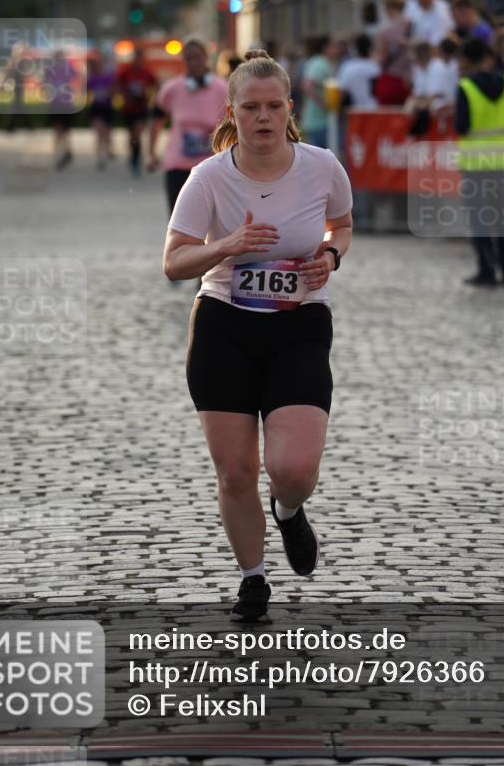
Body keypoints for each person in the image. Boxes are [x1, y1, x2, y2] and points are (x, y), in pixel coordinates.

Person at [162, 49, 353, 622]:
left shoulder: (322, 166)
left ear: (290, 108)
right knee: (236, 469)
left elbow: (341, 225)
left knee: (292, 468)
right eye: (251, 108)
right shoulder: (208, 177)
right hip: (225, 325)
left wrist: (330, 256)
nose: (263, 117)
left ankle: (289, 510)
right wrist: (226, 246)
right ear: (233, 111)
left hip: (299, 325)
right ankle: (253, 578)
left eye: (274, 106)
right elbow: (174, 263)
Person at [455, 39, 504, 288]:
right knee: (503, 220)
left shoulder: (467, 88)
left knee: (480, 219)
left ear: (467, 61)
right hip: (502, 162)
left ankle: (487, 272)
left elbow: (462, 126)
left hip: (475, 164)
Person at [147, 36, 227, 214]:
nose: (193, 62)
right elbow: (156, 119)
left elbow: (233, 124)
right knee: (177, 216)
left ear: (206, 58)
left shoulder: (221, 88)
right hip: (177, 164)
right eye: (188, 58)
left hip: (210, 165)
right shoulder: (172, 88)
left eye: (197, 57)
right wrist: (151, 153)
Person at [116, 47, 156, 176]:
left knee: (137, 133)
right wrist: (124, 97)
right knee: (132, 135)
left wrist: (150, 97)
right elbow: (118, 85)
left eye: (140, 59)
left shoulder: (146, 73)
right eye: (136, 58)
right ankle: (133, 154)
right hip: (128, 109)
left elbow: (155, 84)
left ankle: (135, 160)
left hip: (141, 108)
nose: (138, 61)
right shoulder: (126, 73)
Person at [300, 36, 341, 148]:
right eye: (334, 46)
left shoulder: (319, 62)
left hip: (318, 121)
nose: (338, 49)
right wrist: (325, 105)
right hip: (318, 122)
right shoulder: (320, 63)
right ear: (326, 48)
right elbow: (308, 86)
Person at [374, 0, 413, 105]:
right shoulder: (413, 26)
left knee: (387, 119)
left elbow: (382, 58)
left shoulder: (385, 32)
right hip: (411, 81)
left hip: (390, 80)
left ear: (388, 9)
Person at [43, 49, 77, 170]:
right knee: (57, 130)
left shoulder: (69, 68)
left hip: (66, 104)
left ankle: (67, 150)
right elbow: (44, 84)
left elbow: (78, 78)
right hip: (55, 104)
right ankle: (59, 154)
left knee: (66, 130)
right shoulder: (49, 70)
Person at [87, 53, 116, 169]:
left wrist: (109, 93)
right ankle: (100, 156)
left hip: (107, 107)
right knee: (99, 132)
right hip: (96, 107)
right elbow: (87, 90)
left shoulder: (109, 77)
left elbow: (114, 90)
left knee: (107, 133)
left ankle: (109, 149)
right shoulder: (92, 78)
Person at [337, 34, 380, 110]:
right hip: (377, 109)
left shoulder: (348, 67)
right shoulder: (376, 66)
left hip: (357, 112)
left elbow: (341, 93)